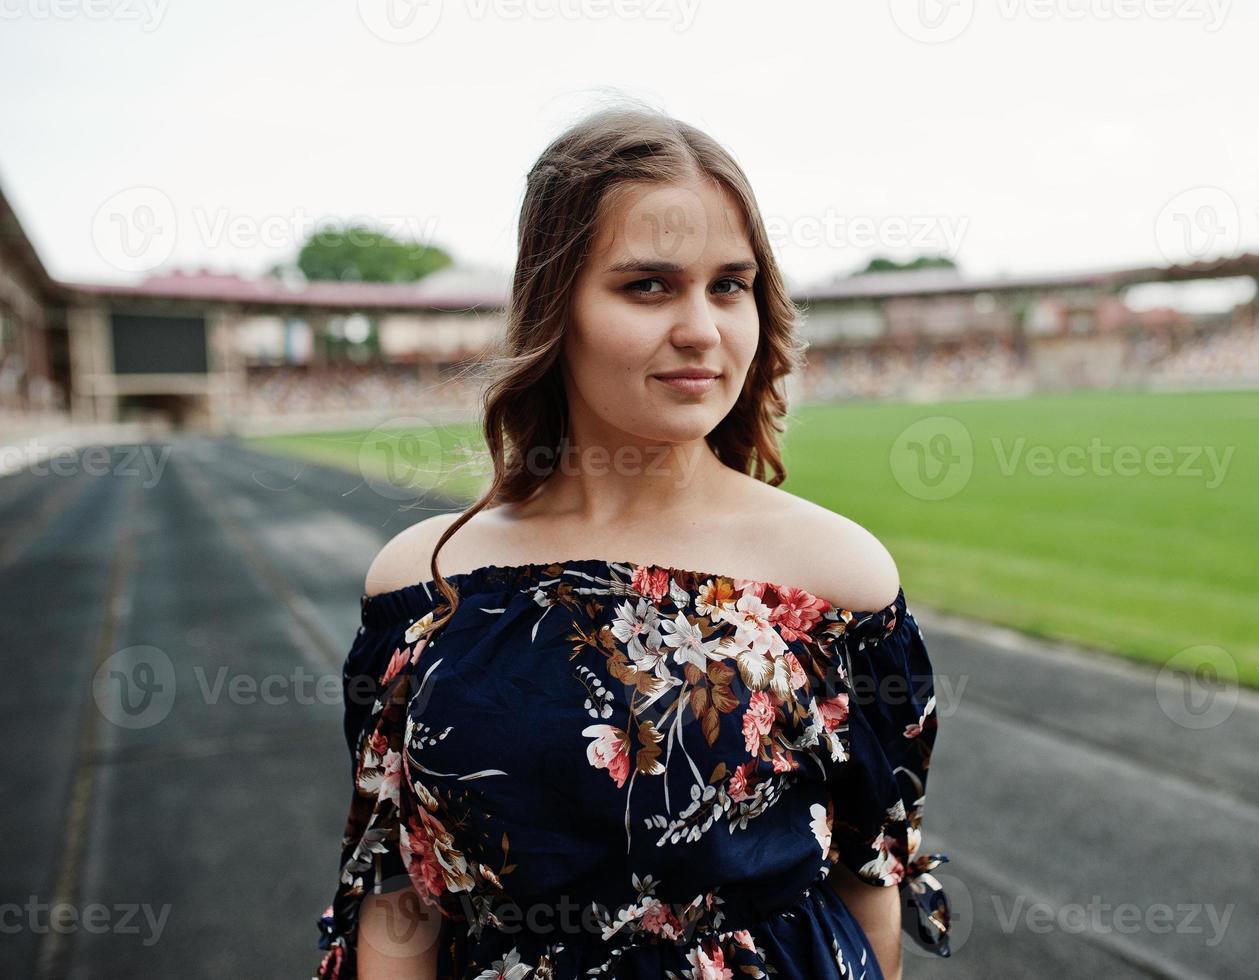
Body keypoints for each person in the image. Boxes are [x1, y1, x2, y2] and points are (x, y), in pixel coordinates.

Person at [313, 103, 952, 980]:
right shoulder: (424, 584)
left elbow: (869, 875)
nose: (701, 327)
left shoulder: (838, 580)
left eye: (729, 285)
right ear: (555, 305)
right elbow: (398, 896)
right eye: (648, 285)